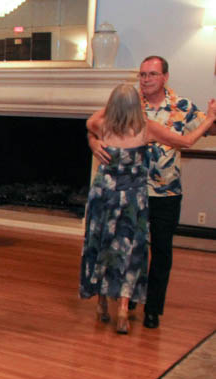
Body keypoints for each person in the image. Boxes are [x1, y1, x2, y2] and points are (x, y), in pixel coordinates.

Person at [88, 55, 216, 330]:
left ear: (165, 77)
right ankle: (127, 303)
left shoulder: (182, 107)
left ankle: (152, 310)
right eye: (143, 75)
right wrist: (93, 142)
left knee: (160, 252)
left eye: (152, 75)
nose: (146, 79)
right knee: (130, 250)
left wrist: (211, 119)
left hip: (165, 192)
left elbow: (197, 135)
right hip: (135, 194)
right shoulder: (131, 103)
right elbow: (94, 124)